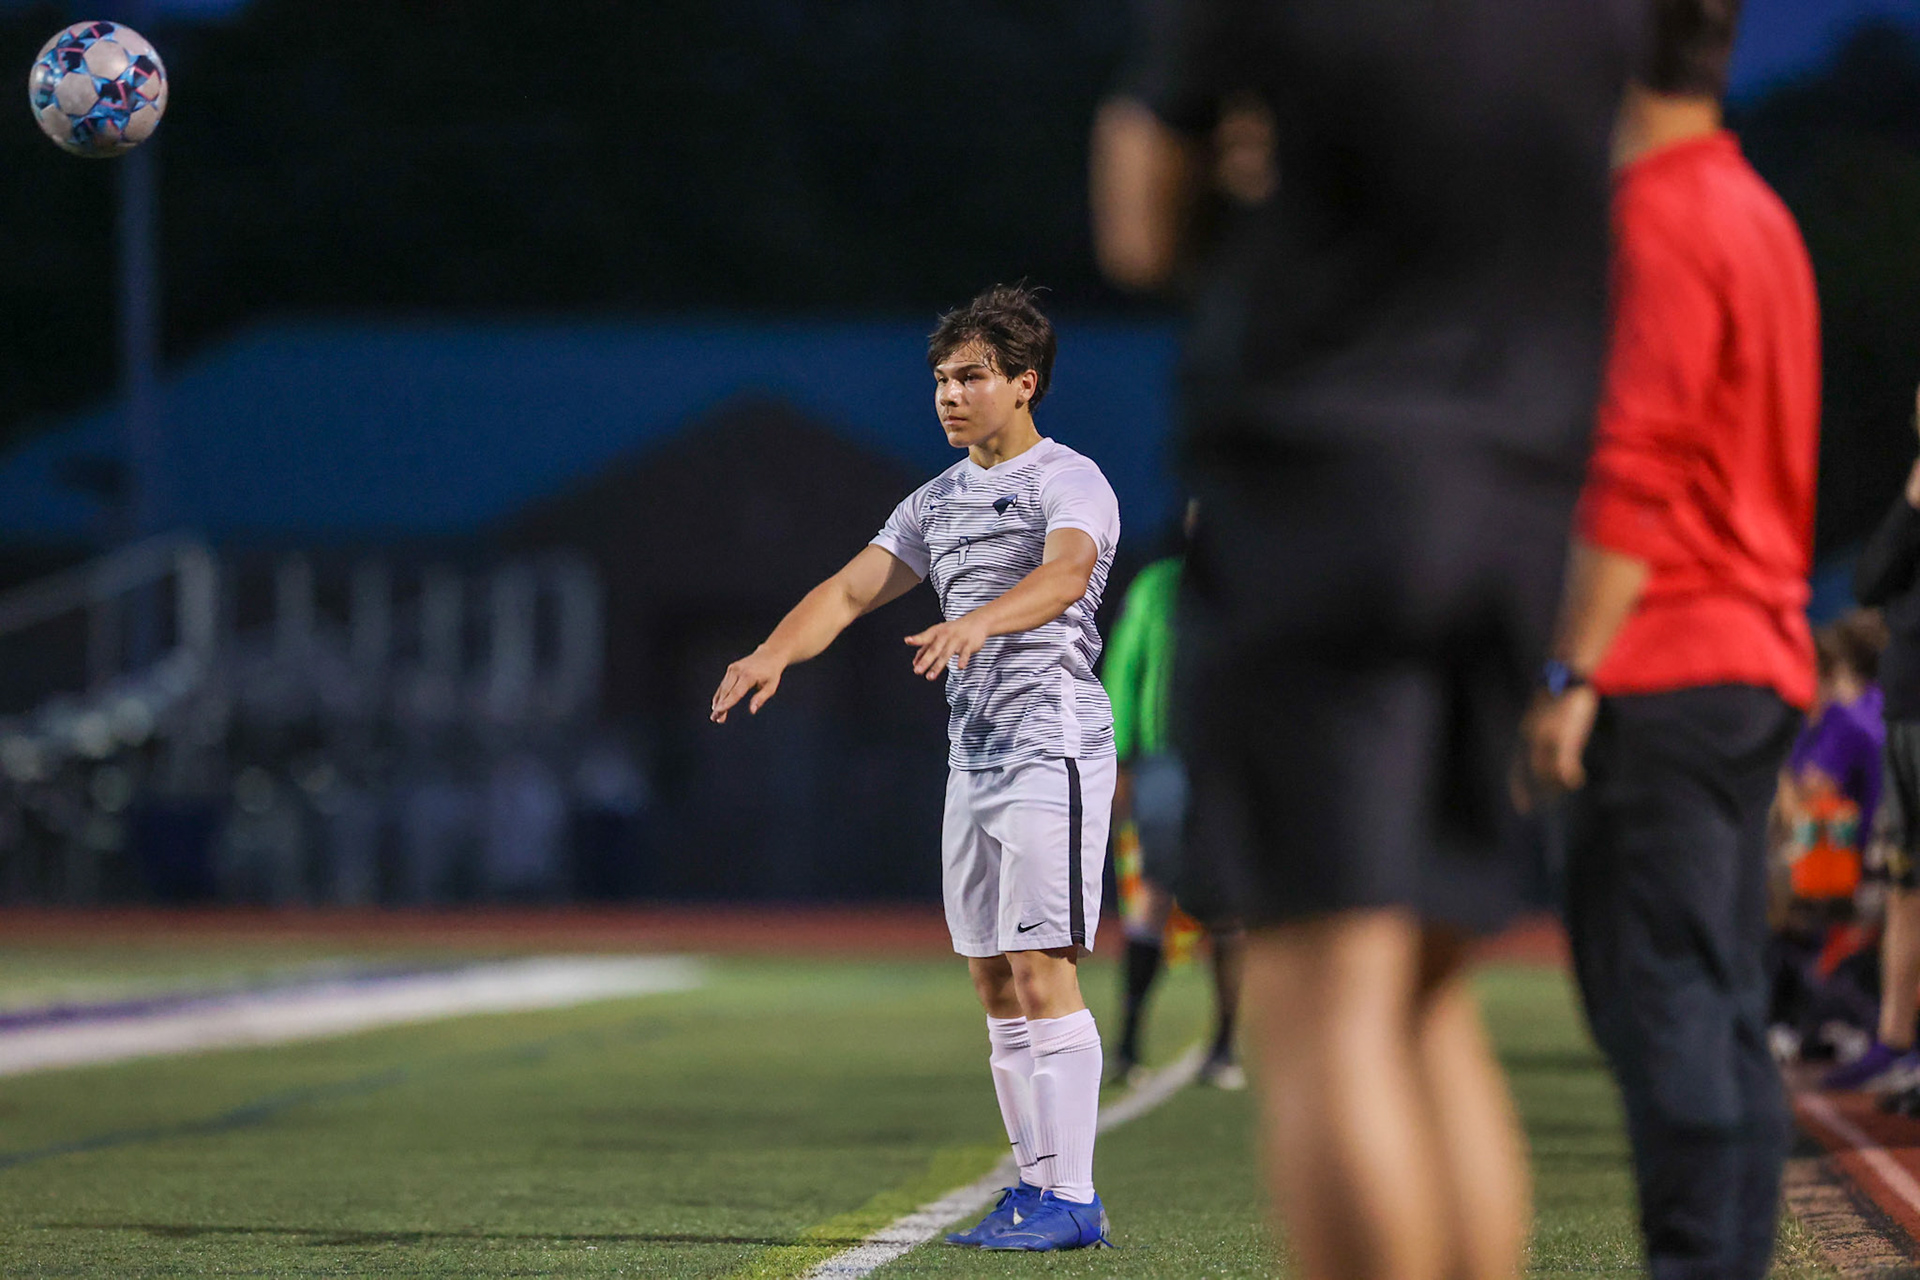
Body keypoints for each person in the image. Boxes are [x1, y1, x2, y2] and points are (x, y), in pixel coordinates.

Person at [1091, 1, 1636, 1276]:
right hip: (1518, 496)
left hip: (1324, 483)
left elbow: (1140, 229)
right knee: (1429, 992)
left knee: (1326, 992)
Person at [710, 284, 1121, 1253]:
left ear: (1025, 383)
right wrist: (773, 650)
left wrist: (979, 615)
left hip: (1048, 745)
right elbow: (852, 587)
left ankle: (1072, 1195)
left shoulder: (1071, 478)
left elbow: (1066, 573)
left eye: (972, 376)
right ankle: (1035, 1188)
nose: (949, 394)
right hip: (971, 759)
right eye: (941, 377)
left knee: (1041, 965)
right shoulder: (935, 499)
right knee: (991, 980)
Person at [1522, 1, 1822, 1273]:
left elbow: (1635, 466)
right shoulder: (1754, 210)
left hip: (1664, 658)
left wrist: (1569, 670)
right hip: (1745, 651)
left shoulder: (1658, 218)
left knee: (1670, 1012)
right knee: (1714, 1003)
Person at [1101, 509, 1244, 1090]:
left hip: (1233, 767)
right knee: (1153, 894)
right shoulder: (1158, 585)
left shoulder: (1258, 586)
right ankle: (1129, 1045)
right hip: (1164, 762)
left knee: (1232, 906)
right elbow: (1125, 668)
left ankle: (1224, 1046)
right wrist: (1116, 756)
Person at [1838, 406, 1920, 1094]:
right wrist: (1912, 503)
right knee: (1904, 885)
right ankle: (1894, 1041)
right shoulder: (1915, 495)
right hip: (1905, 713)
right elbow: (1869, 583)